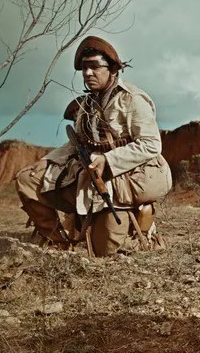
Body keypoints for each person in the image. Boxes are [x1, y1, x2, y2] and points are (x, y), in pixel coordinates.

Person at [15, 36, 172, 256]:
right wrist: (46, 162)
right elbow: (76, 143)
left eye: (94, 67)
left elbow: (151, 144)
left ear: (112, 69)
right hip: (88, 179)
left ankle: (143, 232)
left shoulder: (132, 100)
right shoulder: (86, 105)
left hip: (123, 182)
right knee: (27, 180)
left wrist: (108, 160)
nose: (88, 73)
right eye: (84, 69)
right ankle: (58, 244)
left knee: (104, 250)